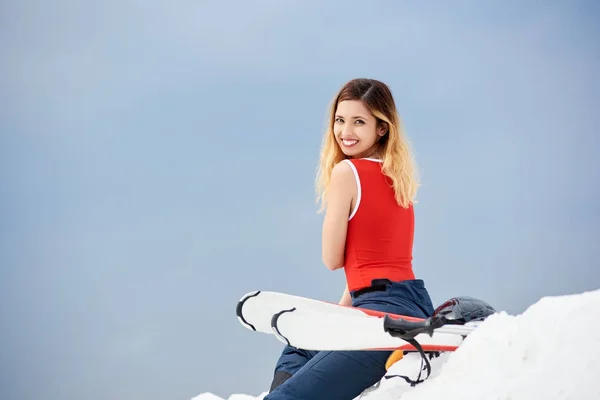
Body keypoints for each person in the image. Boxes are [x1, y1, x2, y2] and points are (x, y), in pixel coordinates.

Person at [264, 78, 436, 400]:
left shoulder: (346, 174)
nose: (346, 132)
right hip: (407, 302)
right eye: (340, 120)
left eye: (359, 122)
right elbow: (372, 263)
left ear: (381, 128)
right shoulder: (399, 178)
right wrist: (340, 312)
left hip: (380, 315)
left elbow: (332, 260)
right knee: (298, 347)